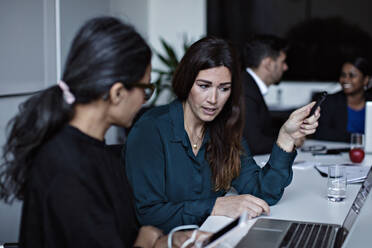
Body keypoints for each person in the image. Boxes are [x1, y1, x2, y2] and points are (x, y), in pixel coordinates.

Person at [0, 17, 193, 248]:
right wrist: (145, 242)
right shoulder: (66, 167)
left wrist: (168, 241)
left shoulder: (98, 153)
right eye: (146, 88)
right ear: (117, 93)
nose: (144, 99)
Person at [125, 36, 320, 233]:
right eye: (204, 86)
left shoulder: (226, 129)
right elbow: (149, 214)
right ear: (187, 82)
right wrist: (216, 206)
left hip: (216, 237)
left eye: (224, 88)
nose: (213, 99)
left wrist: (285, 138)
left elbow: (264, 193)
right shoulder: (151, 129)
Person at [241, 34, 300, 155]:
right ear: (268, 64)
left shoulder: (249, 85)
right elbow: (254, 145)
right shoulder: (245, 91)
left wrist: (289, 133)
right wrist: (290, 141)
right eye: (282, 62)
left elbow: (263, 132)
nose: (285, 67)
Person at [314, 57, 372, 142]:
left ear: (365, 80)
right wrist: (358, 139)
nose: (345, 79)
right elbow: (321, 133)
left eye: (352, 75)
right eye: (343, 75)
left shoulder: (370, 101)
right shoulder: (329, 102)